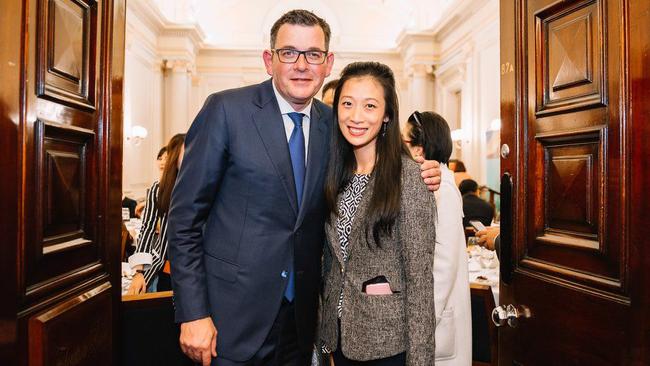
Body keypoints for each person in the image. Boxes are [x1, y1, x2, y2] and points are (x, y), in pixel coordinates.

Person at [166, 10, 441, 366]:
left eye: (313, 54)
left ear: (327, 64)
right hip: (230, 321)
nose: (301, 64)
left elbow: (378, 163)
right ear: (269, 60)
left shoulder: (336, 125)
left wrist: (425, 170)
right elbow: (184, 218)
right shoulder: (226, 110)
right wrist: (193, 312)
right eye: (288, 52)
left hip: (303, 325)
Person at [319, 62, 436, 365]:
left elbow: (419, 280)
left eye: (369, 106)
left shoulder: (408, 178)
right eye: (347, 104)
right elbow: (333, 261)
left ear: (386, 115)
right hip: (339, 338)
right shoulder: (334, 174)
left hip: (388, 343)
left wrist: (420, 360)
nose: (356, 116)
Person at [402, 111, 471, 365]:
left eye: (403, 143)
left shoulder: (442, 189)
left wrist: (420, 324)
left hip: (435, 319)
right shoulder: (425, 182)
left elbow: (443, 266)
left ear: (419, 150)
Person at [126, 134, 185, 295]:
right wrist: (139, 272)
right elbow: (147, 229)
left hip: (197, 271)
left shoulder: (201, 186)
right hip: (166, 269)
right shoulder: (159, 189)